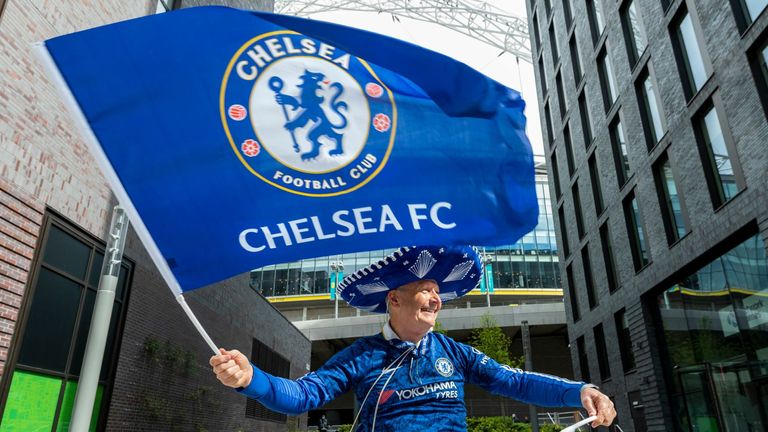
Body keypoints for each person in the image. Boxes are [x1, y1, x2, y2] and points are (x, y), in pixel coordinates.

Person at [211, 245, 616, 431]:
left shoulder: (453, 352)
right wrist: (251, 379)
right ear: (394, 299)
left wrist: (580, 390)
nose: (437, 299)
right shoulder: (361, 356)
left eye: (438, 292)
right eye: (426, 289)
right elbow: (302, 395)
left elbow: (516, 381)